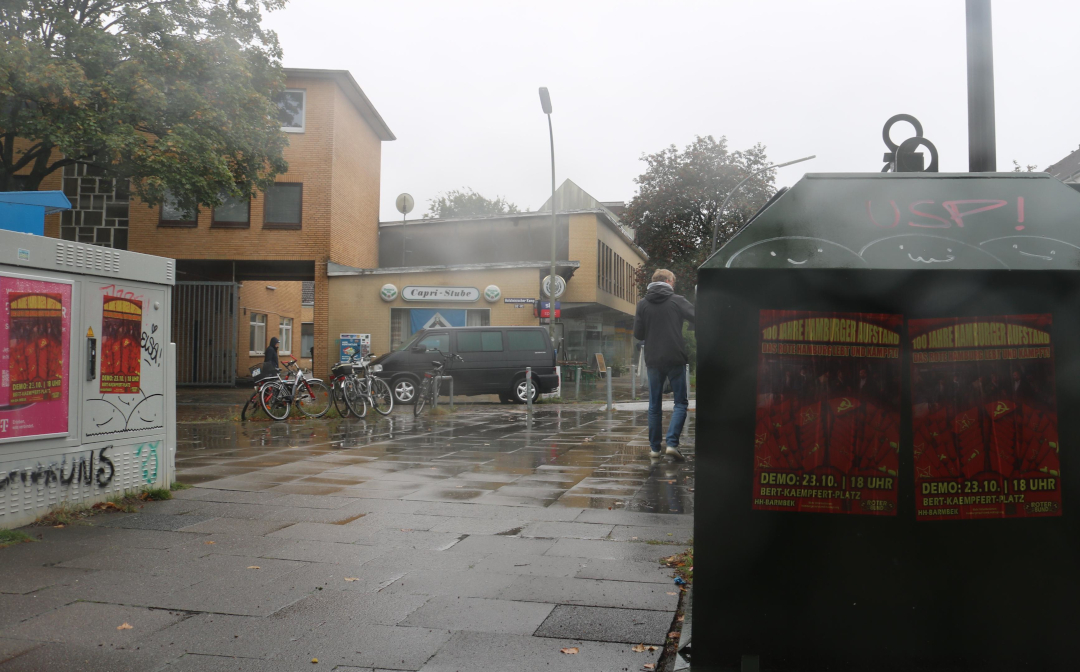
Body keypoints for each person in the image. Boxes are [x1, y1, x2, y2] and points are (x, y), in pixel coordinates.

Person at [633, 268, 695, 461]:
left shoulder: (642, 304)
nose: (674, 285)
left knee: (654, 404)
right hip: (675, 357)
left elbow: (638, 334)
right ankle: (672, 443)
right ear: (668, 281)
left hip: (653, 359)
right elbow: (697, 316)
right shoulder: (677, 300)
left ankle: (654, 449)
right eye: (673, 282)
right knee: (680, 402)